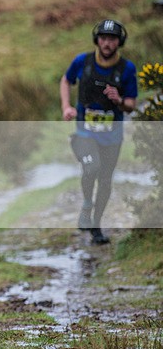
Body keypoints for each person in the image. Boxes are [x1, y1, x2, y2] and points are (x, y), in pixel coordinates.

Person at [60, 19, 137, 244]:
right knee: (91, 167)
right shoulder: (82, 62)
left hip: (112, 135)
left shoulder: (126, 69)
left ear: (118, 42)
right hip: (85, 131)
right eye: (103, 38)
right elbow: (66, 81)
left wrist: (119, 100)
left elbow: (131, 104)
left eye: (111, 39)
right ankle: (86, 203)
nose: (106, 43)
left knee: (105, 180)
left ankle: (96, 224)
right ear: (97, 40)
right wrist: (66, 107)